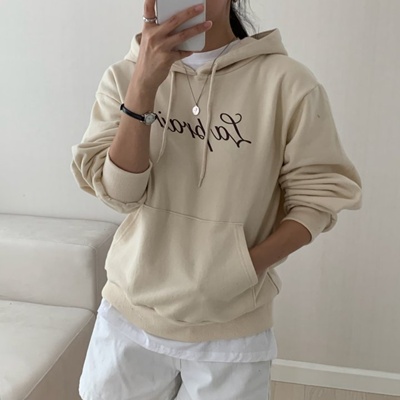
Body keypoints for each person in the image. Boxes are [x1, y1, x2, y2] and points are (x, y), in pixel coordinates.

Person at [70, 0, 363, 398]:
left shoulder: (288, 83)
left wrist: (240, 268)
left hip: (231, 327)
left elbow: (318, 197)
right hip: (129, 314)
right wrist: (142, 89)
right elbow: (121, 195)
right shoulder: (125, 77)